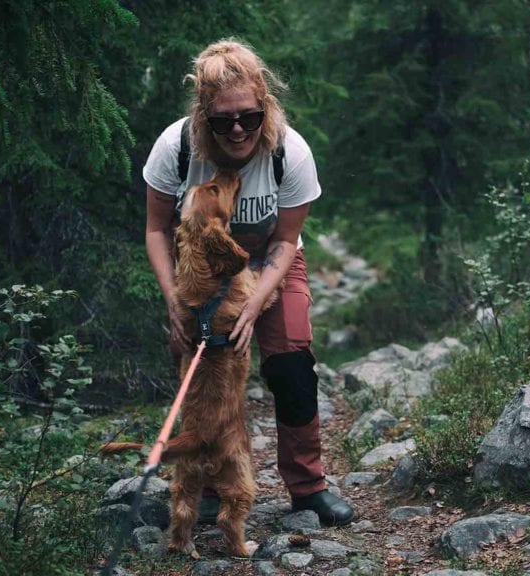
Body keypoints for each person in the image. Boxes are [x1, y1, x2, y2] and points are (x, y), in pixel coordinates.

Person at [142, 39, 354, 527]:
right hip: (201, 276)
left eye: (248, 117)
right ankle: (211, 485)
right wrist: (174, 301)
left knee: (291, 363)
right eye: (222, 120)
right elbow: (156, 230)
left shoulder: (289, 152)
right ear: (204, 116)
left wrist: (255, 304)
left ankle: (307, 487)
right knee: (201, 375)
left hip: (271, 266)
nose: (237, 129)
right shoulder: (176, 148)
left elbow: (285, 243)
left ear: (265, 105)